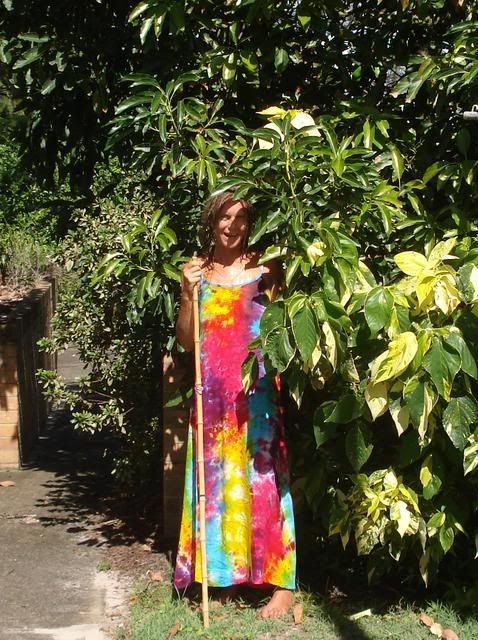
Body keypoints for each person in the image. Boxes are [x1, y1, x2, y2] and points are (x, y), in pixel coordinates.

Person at [173, 190, 296, 618]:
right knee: (218, 491)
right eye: (224, 218)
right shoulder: (196, 273)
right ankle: (224, 579)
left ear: (249, 223)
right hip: (212, 402)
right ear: (211, 221)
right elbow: (186, 342)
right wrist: (188, 295)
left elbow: (283, 328)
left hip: (257, 396)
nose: (232, 226)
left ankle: (282, 584)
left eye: (241, 218)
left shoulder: (266, 269)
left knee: (266, 485)